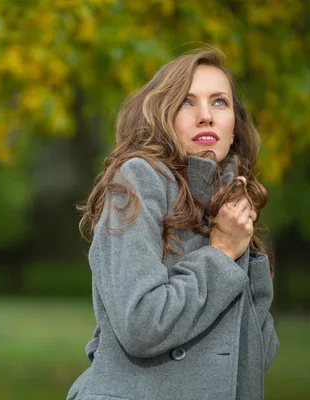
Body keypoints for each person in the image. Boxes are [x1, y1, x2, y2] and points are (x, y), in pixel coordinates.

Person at [66, 48, 279, 400]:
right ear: (162, 115)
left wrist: (244, 249)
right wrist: (222, 253)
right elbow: (141, 324)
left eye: (220, 102)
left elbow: (258, 353)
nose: (206, 116)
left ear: (235, 124)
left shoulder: (227, 203)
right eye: (186, 102)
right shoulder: (138, 179)